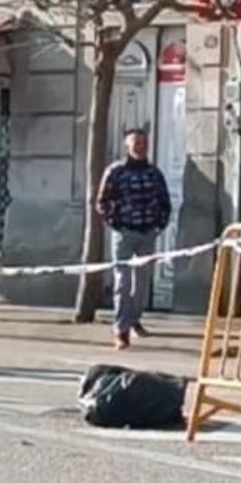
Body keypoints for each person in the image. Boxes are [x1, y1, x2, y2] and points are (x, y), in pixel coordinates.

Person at [96, 126, 172, 350]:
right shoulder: (115, 172)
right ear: (127, 146)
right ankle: (121, 330)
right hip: (124, 233)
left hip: (147, 234)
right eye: (135, 143)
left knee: (142, 284)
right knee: (122, 282)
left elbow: (165, 202)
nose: (140, 146)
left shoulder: (154, 174)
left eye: (143, 143)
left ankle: (135, 319)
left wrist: (159, 225)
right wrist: (114, 223)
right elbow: (102, 202)